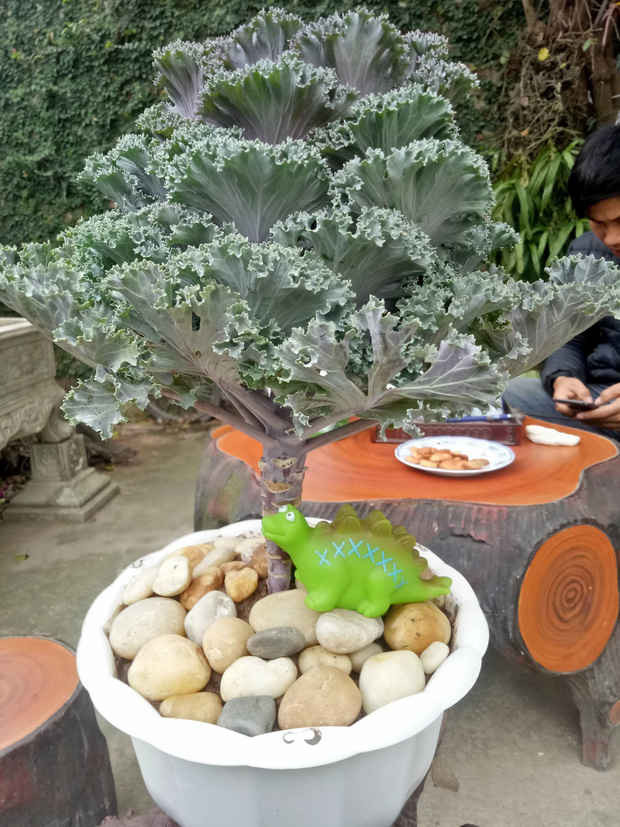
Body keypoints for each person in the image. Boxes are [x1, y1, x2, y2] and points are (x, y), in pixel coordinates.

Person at [503, 125, 620, 440]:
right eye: (599, 223)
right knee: (509, 396)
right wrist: (563, 378)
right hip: (597, 401)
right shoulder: (589, 254)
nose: (612, 238)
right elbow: (570, 338)